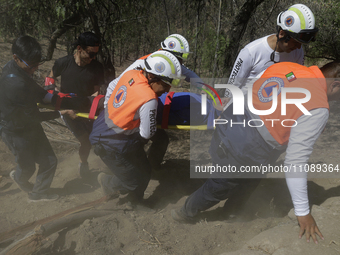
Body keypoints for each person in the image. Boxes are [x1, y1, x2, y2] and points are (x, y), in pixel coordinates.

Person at [172, 61, 340, 244]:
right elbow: (295, 161)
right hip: (249, 145)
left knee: (251, 178)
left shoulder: (288, 67)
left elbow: (251, 88)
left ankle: (232, 212)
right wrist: (303, 212)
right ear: (336, 84)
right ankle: (185, 213)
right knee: (220, 184)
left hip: (232, 123)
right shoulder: (318, 107)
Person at [90, 50, 184, 204]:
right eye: (166, 84)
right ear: (153, 77)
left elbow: (113, 85)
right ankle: (127, 197)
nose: (168, 90)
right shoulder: (149, 99)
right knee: (134, 180)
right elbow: (147, 133)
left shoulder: (131, 74)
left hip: (104, 128)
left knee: (144, 171)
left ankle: (117, 187)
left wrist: (108, 106)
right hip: (112, 141)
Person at [104, 34, 204, 170]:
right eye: (181, 58)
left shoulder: (167, 62)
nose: (181, 63)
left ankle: (150, 168)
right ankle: (132, 170)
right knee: (139, 142)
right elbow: (113, 86)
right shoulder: (144, 64)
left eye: (183, 59)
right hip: (128, 115)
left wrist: (205, 90)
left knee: (161, 139)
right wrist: (108, 110)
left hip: (144, 109)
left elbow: (191, 76)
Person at [0, 35, 77, 202]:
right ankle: (20, 178)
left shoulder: (16, 68)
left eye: (37, 64)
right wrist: (61, 113)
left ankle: (38, 193)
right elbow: (34, 115)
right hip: (15, 130)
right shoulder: (15, 84)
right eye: (31, 65)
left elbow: (35, 90)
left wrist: (55, 100)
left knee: (49, 161)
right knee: (27, 166)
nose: (35, 68)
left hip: (28, 124)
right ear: (16, 58)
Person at [224, 3, 318, 97]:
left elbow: (294, 78)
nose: (298, 47)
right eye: (295, 42)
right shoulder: (250, 52)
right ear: (282, 34)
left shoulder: (298, 52)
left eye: (301, 44)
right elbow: (231, 88)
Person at [47, 31, 104, 178]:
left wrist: (88, 109)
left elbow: (96, 93)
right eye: (90, 54)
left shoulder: (97, 67)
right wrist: (54, 92)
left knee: (93, 141)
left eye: (95, 54)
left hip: (87, 110)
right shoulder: (63, 63)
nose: (93, 58)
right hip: (68, 110)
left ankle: (89, 164)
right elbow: (49, 80)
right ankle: (83, 166)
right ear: (79, 49)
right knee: (85, 141)